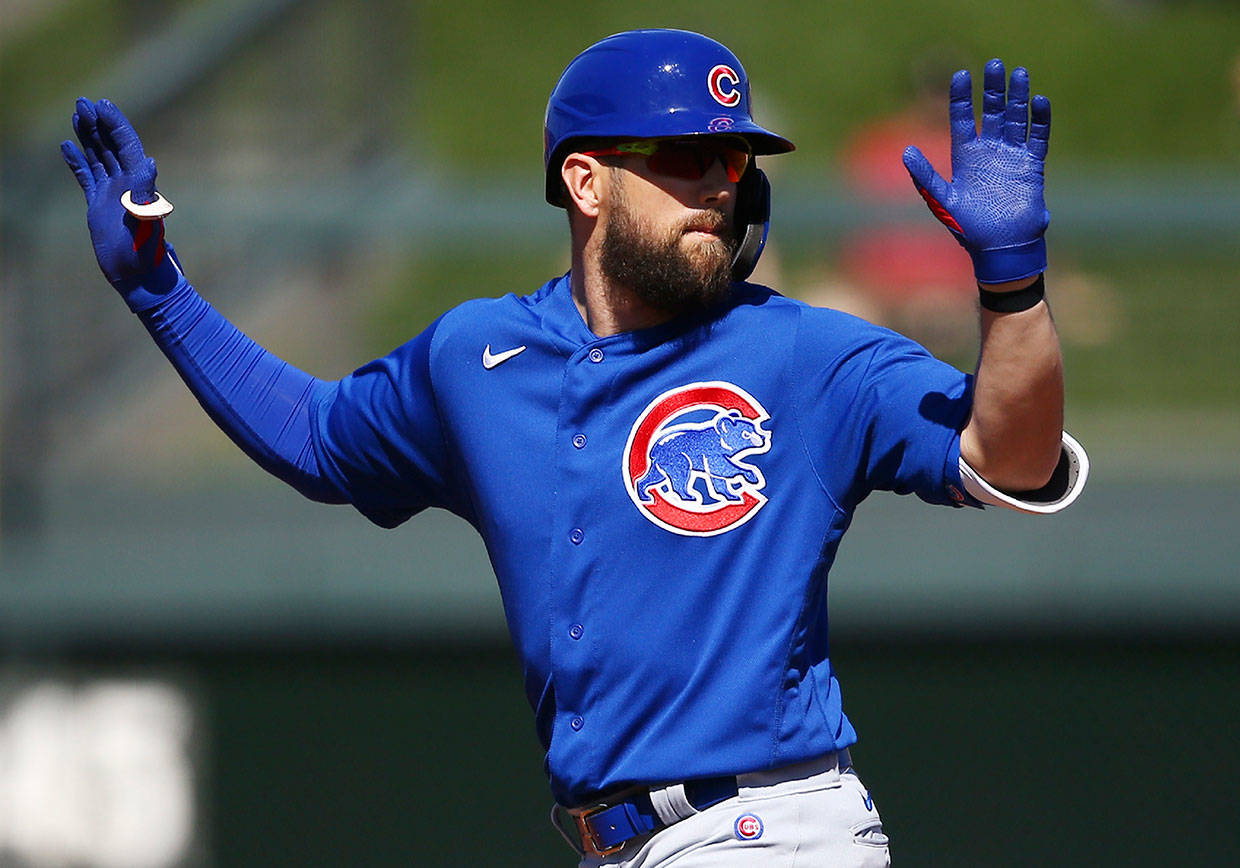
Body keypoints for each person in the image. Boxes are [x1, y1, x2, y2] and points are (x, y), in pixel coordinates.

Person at [62, 28, 1086, 867]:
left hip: (772, 830)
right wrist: (160, 292)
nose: (720, 186)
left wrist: (1010, 286)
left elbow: (1014, 456)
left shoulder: (805, 353)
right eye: (686, 157)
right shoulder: (479, 357)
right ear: (587, 182)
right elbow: (322, 440)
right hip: (618, 845)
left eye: (734, 161)